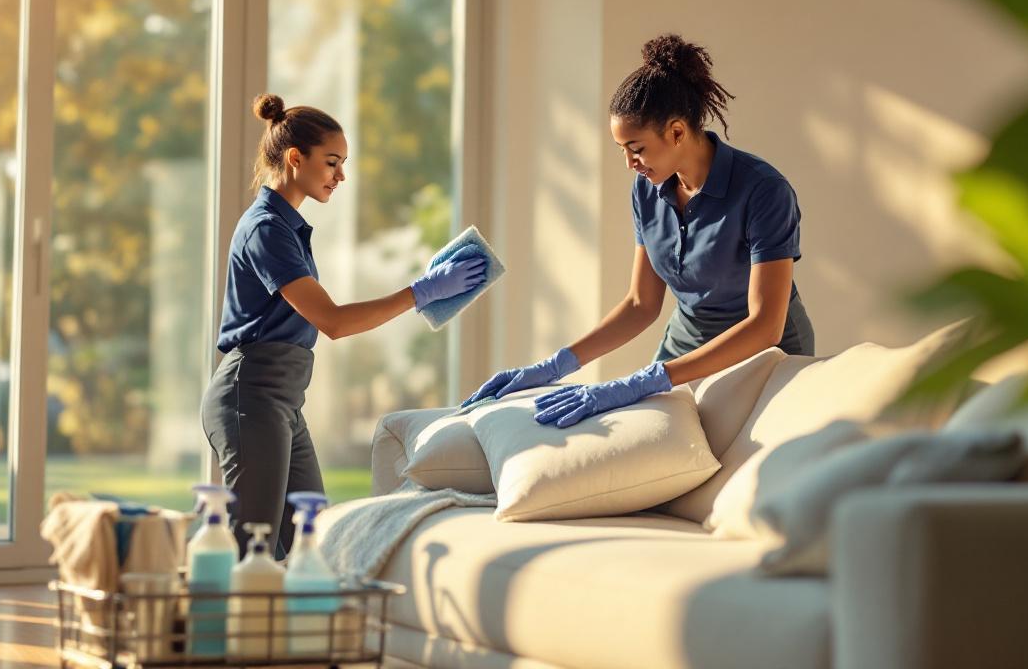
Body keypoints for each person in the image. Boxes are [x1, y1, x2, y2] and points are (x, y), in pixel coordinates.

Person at [465, 34, 814, 427]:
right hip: (686, 346)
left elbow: (765, 324)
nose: (630, 163)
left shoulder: (763, 190)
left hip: (768, 355)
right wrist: (556, 365)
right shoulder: (647, 190)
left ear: (677, 132)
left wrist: (653, 379)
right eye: (622, 150)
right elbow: (640, 304)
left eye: (637, 148)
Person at [202, 94, 487, 557]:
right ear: (296, 159)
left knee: (305, 541)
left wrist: (424, 291)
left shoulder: (286, 227)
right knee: (248, 544)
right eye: (332, 162)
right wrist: (421, 292)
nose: (341, 176)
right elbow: (332, 321)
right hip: (250, 396)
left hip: (281, 401)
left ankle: (290, 631)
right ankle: (194, 626)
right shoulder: (266, 229)